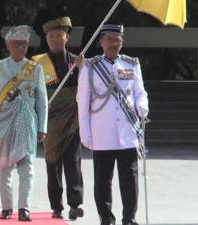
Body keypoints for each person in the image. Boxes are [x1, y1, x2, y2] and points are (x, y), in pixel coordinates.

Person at [77, 24, 149, 225]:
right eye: (109, 39)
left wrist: (143, 106)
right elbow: (83, 104)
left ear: (122, 42)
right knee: (102, 181)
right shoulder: (90, 67)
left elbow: (140, 93)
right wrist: (86, 134)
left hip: (127, 133)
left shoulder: (131, 65)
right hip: (102, 133)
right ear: (101, 42)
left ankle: (129, 218)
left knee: (129, 179)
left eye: (117, 39)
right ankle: (107, 219)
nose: (113, 43)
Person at [0, 25, 48, 222]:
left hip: (27, 123)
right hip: (2, 123)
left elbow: (42, 101)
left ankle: (24, 208)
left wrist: (42, 127)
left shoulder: (36, 68)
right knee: (4, 167)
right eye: (17, 44)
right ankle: (7, 207)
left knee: (28, 168)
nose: (21, 48)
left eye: (24, 44)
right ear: (8, 45)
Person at [32, 15, 85, 220]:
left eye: (59, 36)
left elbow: (87, 89)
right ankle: (56, 205)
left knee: (73, 161)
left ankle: (75, 203)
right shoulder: (37, 64)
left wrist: (82, 70)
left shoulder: (76, 61)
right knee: (52, 163)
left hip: (73, 119)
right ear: (46, 39)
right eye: (51, 36)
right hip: (50, 121)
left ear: (66, 38)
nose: (55, 39)